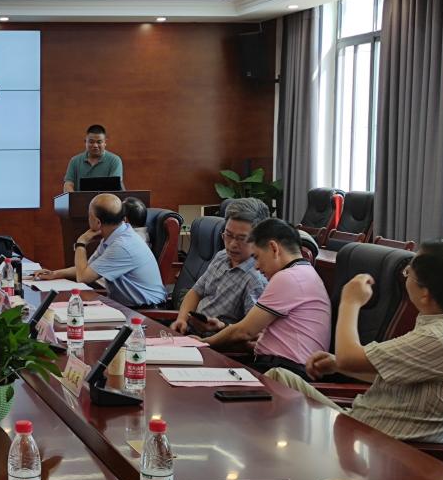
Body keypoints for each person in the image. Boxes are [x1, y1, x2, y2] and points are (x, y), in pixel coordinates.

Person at [267, 240, 443, 443]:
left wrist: (350, 302)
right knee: (278, 378)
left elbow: (348, 358)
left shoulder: (438, 338)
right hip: (362, 428)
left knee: (272, 387)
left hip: (377, 444)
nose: (406, 275)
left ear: (425, 293)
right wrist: (337, 365)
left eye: (409, 272)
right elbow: (399, 373)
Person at [202, 218, 330, 378]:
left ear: (273, 248)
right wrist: (223, 328)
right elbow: (257, 335)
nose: (256, 266)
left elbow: (244, 332)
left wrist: (202, 343)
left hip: (286, 372)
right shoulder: (303, 272)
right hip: (280, 367)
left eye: (256, 257)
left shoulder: (288, 277)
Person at [34, 193, 166, 307]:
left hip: (146, 311)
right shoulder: (115, 235)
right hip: (127, 306)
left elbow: (83, 277)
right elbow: (87, 269)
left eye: (89, 215)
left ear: (97, 222)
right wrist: (55, 274)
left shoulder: (121, 245)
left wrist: (81, 243)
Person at [170, 198, 270, 334]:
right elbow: (195, 292)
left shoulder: (256, 279)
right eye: (228, 235)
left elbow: (250, 333)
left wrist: (221, 327)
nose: (232, 244)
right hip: (191, 331)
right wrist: (181, 319)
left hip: (218, 341)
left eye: (242, 239)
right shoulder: (222, 256)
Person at [62, 124, 124, 193]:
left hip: (107, 199)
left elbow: (114, 188)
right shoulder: (75, 161)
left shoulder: (115, 160)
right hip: (81, 199)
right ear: (85, 142)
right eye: (91, 142)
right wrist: (74, 198)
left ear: (105, 142)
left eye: (99, 142)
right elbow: (68, 184)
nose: (95, 145)